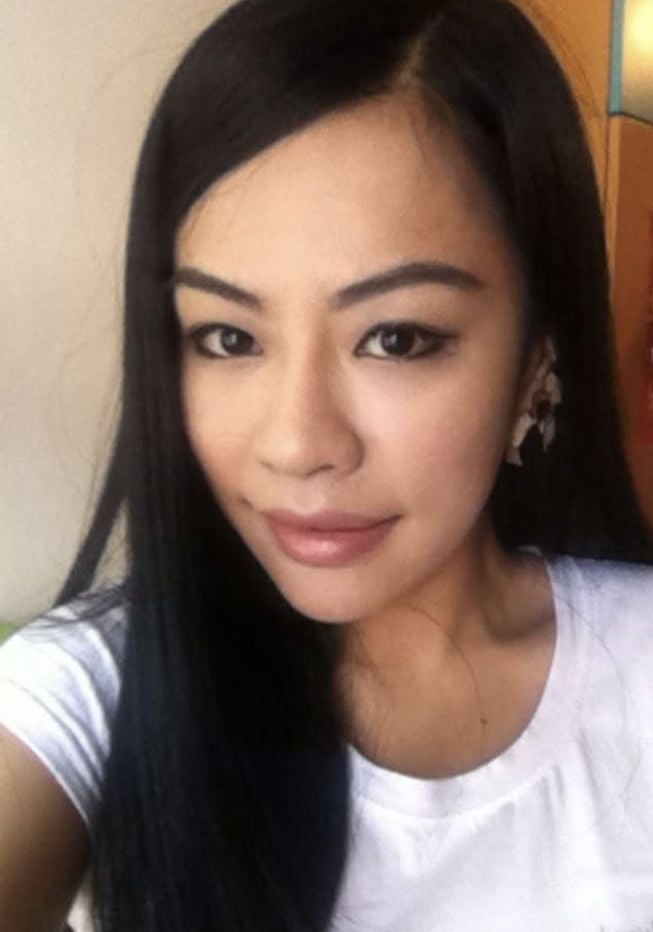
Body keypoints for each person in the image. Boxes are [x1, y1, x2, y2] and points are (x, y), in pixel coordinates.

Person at [1, 0, 652, 929]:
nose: (298, 443)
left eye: (395, 337)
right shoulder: (87, 692)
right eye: (228, 337)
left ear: (534, 364)